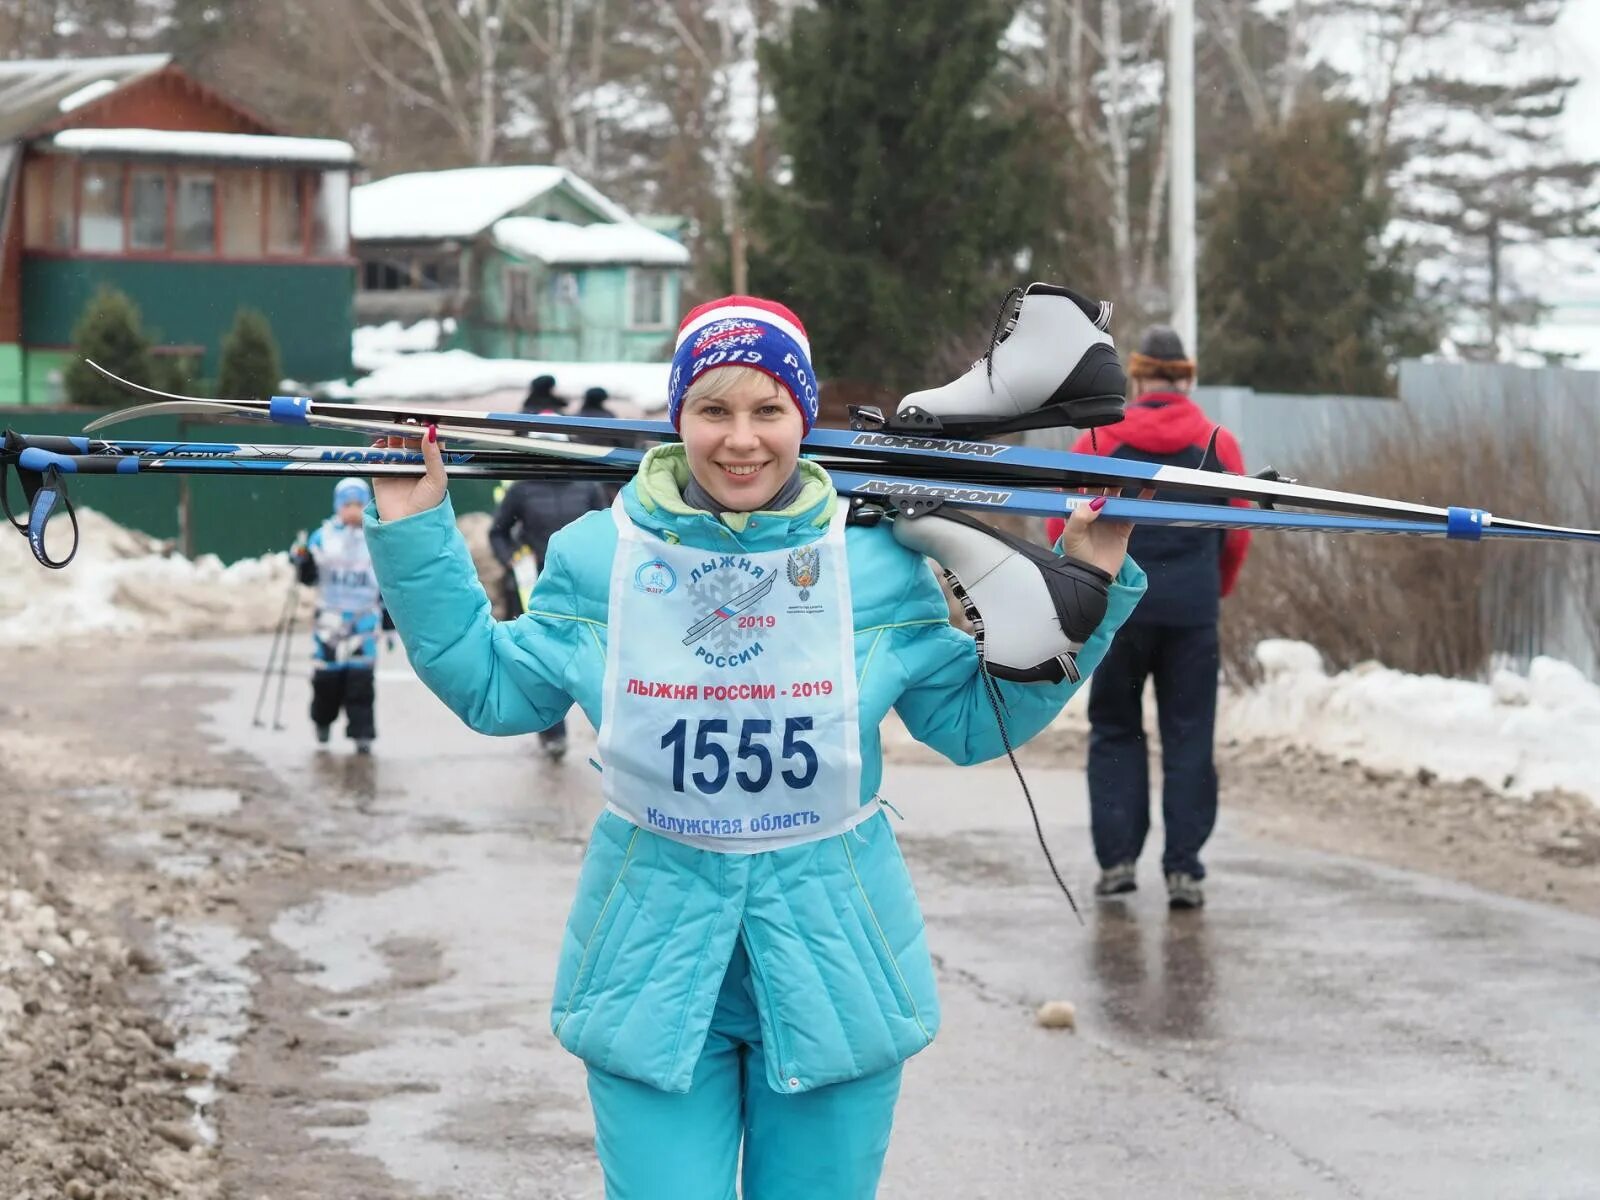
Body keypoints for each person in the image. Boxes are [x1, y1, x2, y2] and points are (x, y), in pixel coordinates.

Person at [365, 294, 1147, 1199]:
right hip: (652, 968)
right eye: (714, 410)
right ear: (678, 417)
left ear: (803, 416)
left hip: (833, 965)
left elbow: (974, 724)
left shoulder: (877, 561)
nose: (742, 440)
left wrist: (1086, 585)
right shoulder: (599, 555)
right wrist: (415, 525)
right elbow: (495, 688)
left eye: (768, 409)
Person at [1045, 325, 1251, 910]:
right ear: (1186, 377)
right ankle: (1184, 868)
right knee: (1189, 736)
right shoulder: (1219, 442)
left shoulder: (1097, 440)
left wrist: (1079, 588)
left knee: (1115, 729)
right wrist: (1217, 588)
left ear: (1136, 377)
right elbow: (1236, 532)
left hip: (1116, 608)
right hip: (1191, 613)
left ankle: (1116, 862)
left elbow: (1063, 524)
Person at [487, 472, 612, 760]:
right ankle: (553, 735)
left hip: (586, 587)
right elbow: (498, 532)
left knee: (599, 657)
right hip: (537, 587)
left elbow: (607, 527)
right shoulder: (521, 488)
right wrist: (512, 558)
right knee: (545, 661)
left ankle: (613, 730)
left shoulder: (587, 485)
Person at [291, 477, 389, 755]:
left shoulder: (376, 537)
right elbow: (307, 576)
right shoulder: (323, 537)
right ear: (338, 506)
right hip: (330, 620)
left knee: (360, 680)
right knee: (327, 680)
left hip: (363, 620)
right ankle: (322, 720)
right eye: (348, 505)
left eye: (359, 504)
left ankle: (362, 734)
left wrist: (389, 622)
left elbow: (387, 581)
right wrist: (302, 561)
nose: (353, 511)